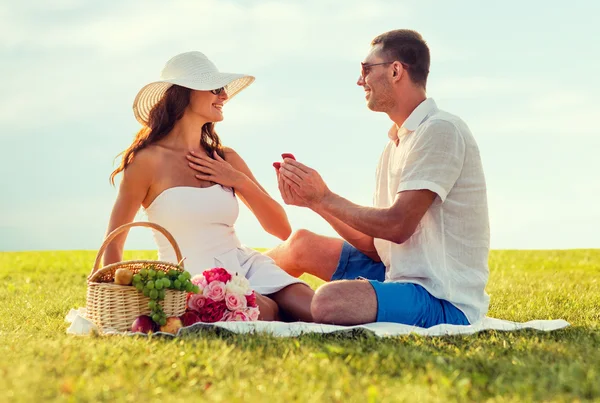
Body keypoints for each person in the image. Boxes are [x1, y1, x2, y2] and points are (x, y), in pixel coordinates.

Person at [268, 29, 490, 327]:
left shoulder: (440, 129)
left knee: (329, 301)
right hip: (394, 275)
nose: (360, 80)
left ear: (396, 70)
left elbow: (397, 226)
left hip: (441, 299)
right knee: (300, 244)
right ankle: (219, 289)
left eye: (366, 69)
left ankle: (261, 308)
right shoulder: (394, 144)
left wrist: (323, 196)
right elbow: (375, 246)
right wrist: (314, 202)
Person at [103, 51, 314, 322]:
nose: (224, 96)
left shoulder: (226, 158)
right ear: (184, 94)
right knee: (270, 310)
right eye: (215, 88)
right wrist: (116, 297)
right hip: (194, 280)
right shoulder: (147, 162)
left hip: (246, 264)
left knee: (318, 308)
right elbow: (114, 241)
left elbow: (281, 228)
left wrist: (238, 180)